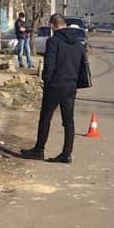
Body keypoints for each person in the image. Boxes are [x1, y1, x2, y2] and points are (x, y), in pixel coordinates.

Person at [22, 14, 87, 164]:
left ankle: (39, 150)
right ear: (64, 24)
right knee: (68, 121)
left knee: (45, 118)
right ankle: (66, 154)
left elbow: (49, 65)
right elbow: (81, 66)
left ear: (52, 26)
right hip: (71, 85)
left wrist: (46, 80)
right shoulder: (78, 43)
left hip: (55, 85)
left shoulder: (53, 42)